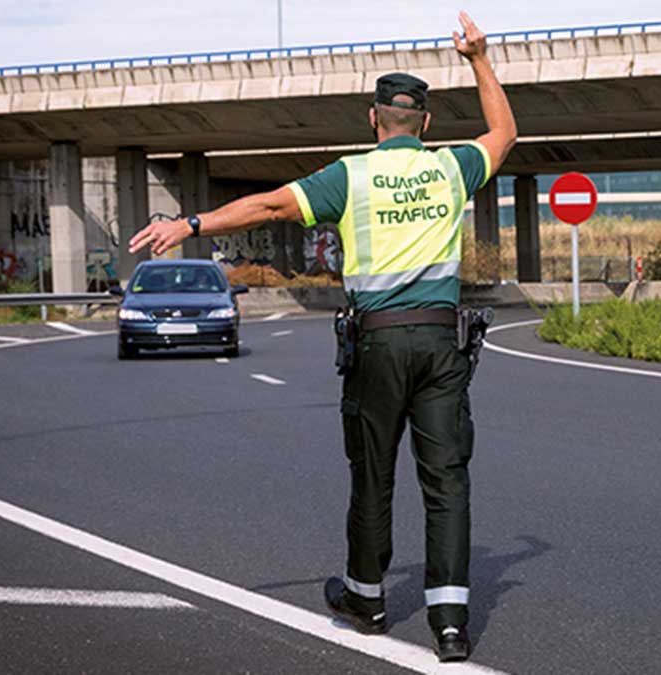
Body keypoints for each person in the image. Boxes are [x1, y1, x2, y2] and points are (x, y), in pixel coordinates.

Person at [128, 11, 516, 663]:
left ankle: (367, 598)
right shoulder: (451, 168)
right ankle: (450, 622)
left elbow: (269, 205)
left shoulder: (352, 177)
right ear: (424, 123)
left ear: (372, 119)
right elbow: (505, 131)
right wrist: (478, 56)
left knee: (373, 472)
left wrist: (192, 222)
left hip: (378, 344)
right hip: (441, 345)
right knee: (446, 479)